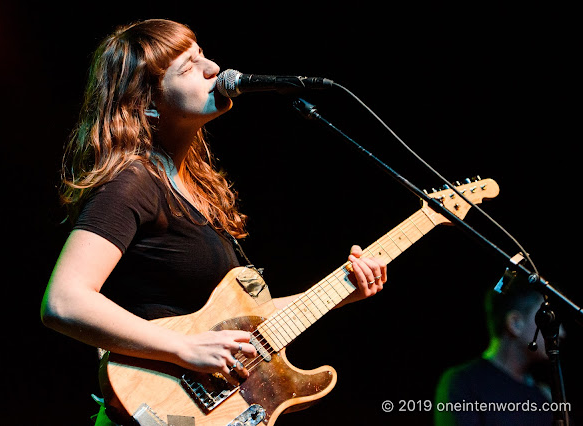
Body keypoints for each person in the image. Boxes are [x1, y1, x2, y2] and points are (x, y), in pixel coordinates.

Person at [40, 19, 388, 425]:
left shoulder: (193, 187)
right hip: (153, 409)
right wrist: (182, 348)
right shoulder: (132, 182)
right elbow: (64, 301)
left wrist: (345, 288)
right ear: (147, 102)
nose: (214, 69)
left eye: (202, 54)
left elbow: (245, 324)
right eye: (188, 67)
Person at [434, 270, 558, 426]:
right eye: (546, 318)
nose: (561, 333)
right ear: (515, 323)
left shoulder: (544, 396)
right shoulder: (462, 382)